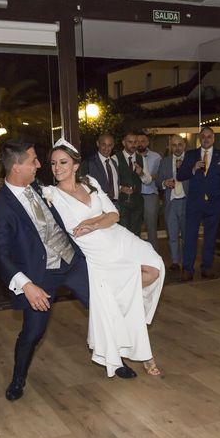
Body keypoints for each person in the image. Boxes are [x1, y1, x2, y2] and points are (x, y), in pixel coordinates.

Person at [0, 140, 99, 402]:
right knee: (32, 333)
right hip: (40, 275)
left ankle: (116, 361)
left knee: (102, 309)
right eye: (33, 161)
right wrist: (26, 285)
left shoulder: (39, 187)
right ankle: (18, 378)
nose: (39, 165)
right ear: (16, 167)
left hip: (71, 262)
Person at [45, 138, 164, 377]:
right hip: (97, 251)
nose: (57, 168)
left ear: (76, 165)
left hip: (118, 238)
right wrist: (95, 224)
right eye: (53, 163)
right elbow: (70, 227)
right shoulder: (52, 194)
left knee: (155, 268)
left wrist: (92, 222)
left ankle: (130, 319)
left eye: (63, 162)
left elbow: (114, 215)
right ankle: (143, 352)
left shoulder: (90, 182)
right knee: (126, 292)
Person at [177, 126, 220, 281]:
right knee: (190, 237)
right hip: (195, 203)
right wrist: (193, 168)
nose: (206, 139)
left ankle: (207, 267)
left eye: (209, 136)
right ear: (199, 139)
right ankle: (187, 269)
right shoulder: (191, 155)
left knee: (210, 237)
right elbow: (180, 176)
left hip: (214, 204)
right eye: (203, 137)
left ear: (213, 139)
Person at [157, 134, 188, 271]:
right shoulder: (165, 161)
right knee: (172, 234)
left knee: (187, 234)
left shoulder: (191, 160)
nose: (177, 148)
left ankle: (187, 260)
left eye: (179, 144)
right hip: (171, 202)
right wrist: (164, 182)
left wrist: (184, 169)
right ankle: (175, 261)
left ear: (184, 145)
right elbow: (158, 181)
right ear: (170, 147)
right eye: (174, 145)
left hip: (187, 202)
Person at [114, 132, 148, 236]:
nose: (133, 145)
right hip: (122, 203)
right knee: (124, 234)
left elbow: (148, 180)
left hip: (137, 203)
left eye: (135, 142)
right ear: (124, 142)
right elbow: (111, 181)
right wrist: (120, 188)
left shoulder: (141, 158)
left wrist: (141, 174)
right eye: (130, 142)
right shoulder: (115, 158)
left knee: (136, 234)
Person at [79, 133, 120, 207]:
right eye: (103, 144)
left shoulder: (114, 163)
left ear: (113, 146)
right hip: (99, 206)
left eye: (109, 145)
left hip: (116, 205)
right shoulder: (88, 163)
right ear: (98, 144)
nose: (106, 148)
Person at [137, 132, 162, 250]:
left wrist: (149, 177)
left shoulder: (156, 157)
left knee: (151, 229)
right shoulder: (131, 157)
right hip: (135, 196)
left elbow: (159, 175)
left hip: (150, 195)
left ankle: (154, 258)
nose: (140, 144)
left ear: (147, 143)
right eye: (138, 141)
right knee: (134, 229)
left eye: (143, 141)